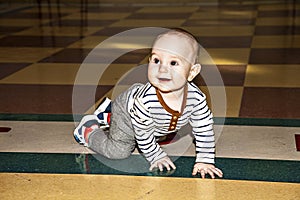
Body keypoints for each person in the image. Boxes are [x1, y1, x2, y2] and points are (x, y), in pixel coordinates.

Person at [73, 28, 223, 179]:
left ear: (192, 72)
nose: (162, 69)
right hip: (127, 112)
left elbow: (204, 130)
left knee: (159, 132)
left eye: (173, 63)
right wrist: (156, 156)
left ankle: (108, 115)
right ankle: (88, 129)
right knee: (118, 151)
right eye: (156, 60)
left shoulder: (196, 99)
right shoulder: (145, 102)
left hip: (149, 119)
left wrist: (205, 161)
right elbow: (143, 136)